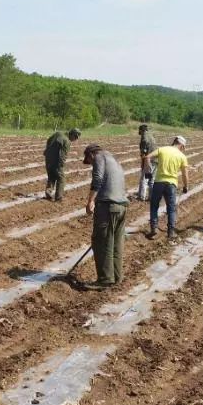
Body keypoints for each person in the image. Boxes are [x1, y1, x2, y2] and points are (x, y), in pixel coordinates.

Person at [84, 144, 129, 288]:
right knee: (116, 243)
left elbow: (97, 179)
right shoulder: (113, 159)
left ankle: (104, 279)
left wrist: (90, 200)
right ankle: (116, 277)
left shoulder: (99, 157)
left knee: (101, 242)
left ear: (91, 154)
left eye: (89, 161)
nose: (91, 164)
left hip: (108, 206)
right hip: (121, 206)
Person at [144, 135, 190, 241]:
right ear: (182, 146)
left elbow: (147, 157)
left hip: (158, 182)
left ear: (174, 141)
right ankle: (171, 232)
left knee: (154, 206)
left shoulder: (163, 149)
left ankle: (154, 229)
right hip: (171, 184)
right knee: (171, 209)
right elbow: (185, 175)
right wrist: (186, 186)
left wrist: (148, 171)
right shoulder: (182, 156)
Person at [44, 128, 80, 201]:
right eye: (75, 137)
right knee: (61, 178)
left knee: (51, 175)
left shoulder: (58, 133)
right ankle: (59, 197)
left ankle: (48, 191)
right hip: (56, 161)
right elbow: (62, 155)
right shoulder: (66, 141)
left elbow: (48, 140)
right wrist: (61, 165)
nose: (75, 139)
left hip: (48, 158)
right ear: (72, 134)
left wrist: (48, 151)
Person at [137, 123, 157, 201]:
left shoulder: (144, 138)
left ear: (141, 130)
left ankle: (141, 197)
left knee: (144, 179)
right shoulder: (151, 136)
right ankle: (151, 197)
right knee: (151, 179)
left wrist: (143, 164)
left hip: (149, 161)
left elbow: (144, 153)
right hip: (155, 160)